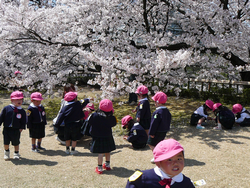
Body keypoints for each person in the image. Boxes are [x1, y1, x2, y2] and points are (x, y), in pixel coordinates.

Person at [126, 139, 195, 188]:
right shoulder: (143, 178)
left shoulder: (186, 183)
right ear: (158, 163)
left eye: (179, 159)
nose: (176, 163)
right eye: (169, 160)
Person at [88, 99, 117, 174]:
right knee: (108, 150)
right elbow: (114, 123)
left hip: (97, 136)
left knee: (100, 152)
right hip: (107, 136)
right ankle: (107, 165)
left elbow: (89, 122)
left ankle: (100, 168)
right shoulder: (111, 117)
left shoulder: (94, 115)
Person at [0, 91, 26, 160]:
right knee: (6, 142)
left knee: (16, 142)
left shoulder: (22, 111)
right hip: (7, 128)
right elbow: (1, 117)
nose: (19, 101)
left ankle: (16, 153)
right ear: (12, 100)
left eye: (21, 99)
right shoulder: (6, 108)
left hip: (16, 129)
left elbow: (23, 120)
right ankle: (6, 153)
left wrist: (22, 127)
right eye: (17, 99)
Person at [148, 92, 171, 163]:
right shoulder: (167, 111)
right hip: (164, 130)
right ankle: (160, 155)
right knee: (159, 143)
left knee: (151, 144)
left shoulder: (157, 112)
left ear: (157, 102)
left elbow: (154, 124)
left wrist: (151, 132)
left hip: (157, 131)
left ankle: (157, 156)